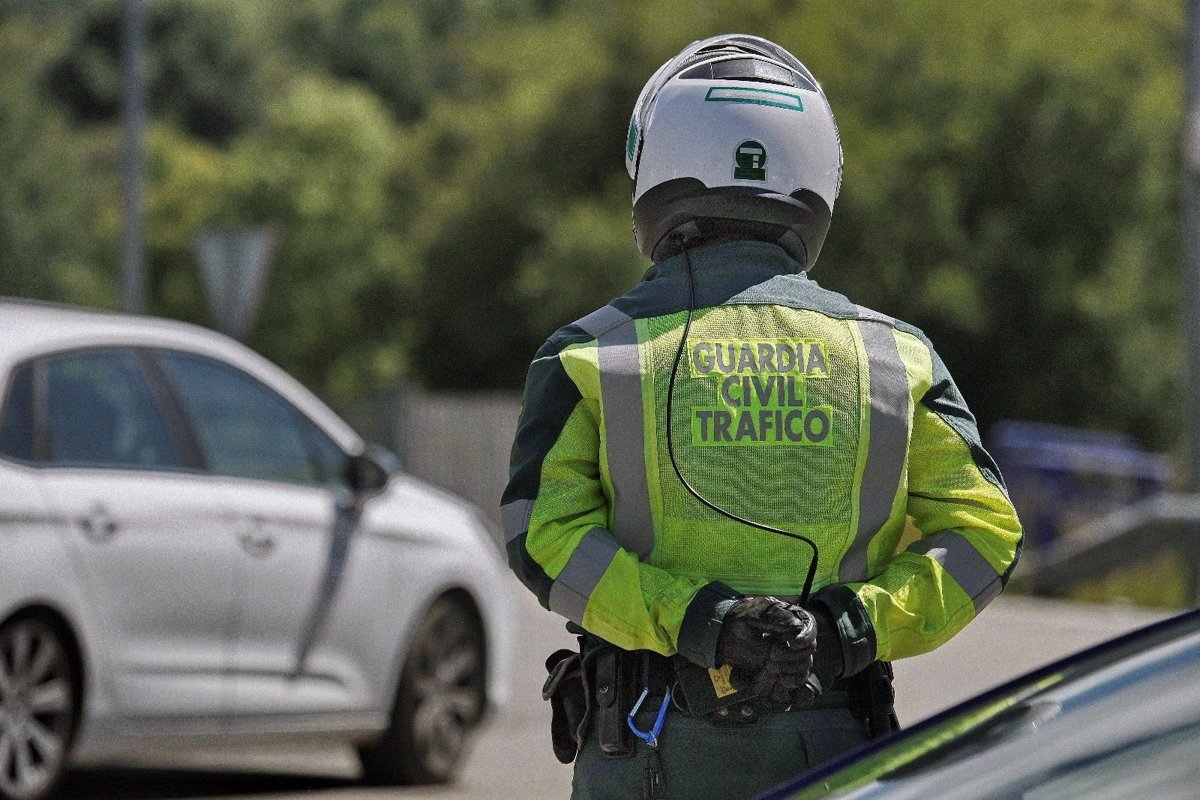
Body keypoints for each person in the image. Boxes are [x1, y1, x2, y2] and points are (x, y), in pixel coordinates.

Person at [502, 34, 1023, 800]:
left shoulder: (589, 354)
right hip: (836, 747)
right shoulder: (897, 358)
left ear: (652, 170)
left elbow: (540, 540)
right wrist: (849, 628)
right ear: (819, 179)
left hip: (647, 752)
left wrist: (704, 623)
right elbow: (987, 539)